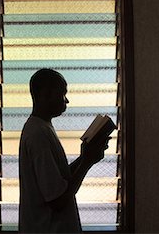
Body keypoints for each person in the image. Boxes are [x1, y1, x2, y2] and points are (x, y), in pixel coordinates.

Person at [18, 68, 110, 233]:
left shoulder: (42, 127)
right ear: (45, 94)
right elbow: (57, 200)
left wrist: (84, 157)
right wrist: (87, 162)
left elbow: (59, 179)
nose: (66, 100)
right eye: (62, 94)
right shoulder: (38, 134)